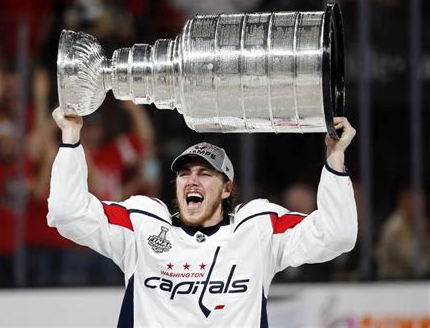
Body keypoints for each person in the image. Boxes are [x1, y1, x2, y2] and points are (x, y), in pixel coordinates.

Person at [48, 106, 357, 327]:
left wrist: (335, 158)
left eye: (205, 174)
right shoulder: (142, 225)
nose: (192, 180)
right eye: (184, 173)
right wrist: (71, 137)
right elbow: (67, 214)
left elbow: (337, 235)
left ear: (227, 189)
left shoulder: (258, 228)